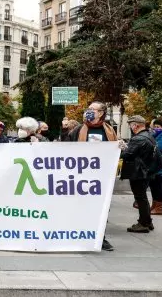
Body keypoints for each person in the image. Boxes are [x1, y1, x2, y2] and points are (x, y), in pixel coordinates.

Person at [66, 101, 117, 251]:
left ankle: (100, 238)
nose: (89, 111)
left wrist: (120, 148)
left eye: (92, 109)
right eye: (88, 109)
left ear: (101, 113)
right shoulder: (78, 130)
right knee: (81, 206)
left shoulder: (109, 131)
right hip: (81, 175)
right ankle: (79, 236)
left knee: (102, 207)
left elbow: (114, 151)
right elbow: (65, 148)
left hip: (101, 176)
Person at [119, 116, 156, 233]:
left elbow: (127, 155)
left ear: (136, 125)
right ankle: (147, 221)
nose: (130, 127)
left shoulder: (138, 138)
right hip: (145, 171)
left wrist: (121, 148)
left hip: (138, 172)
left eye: (130, 124)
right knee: (142, 197)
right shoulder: (148, 136)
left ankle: (143, 223)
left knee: (140, 198)